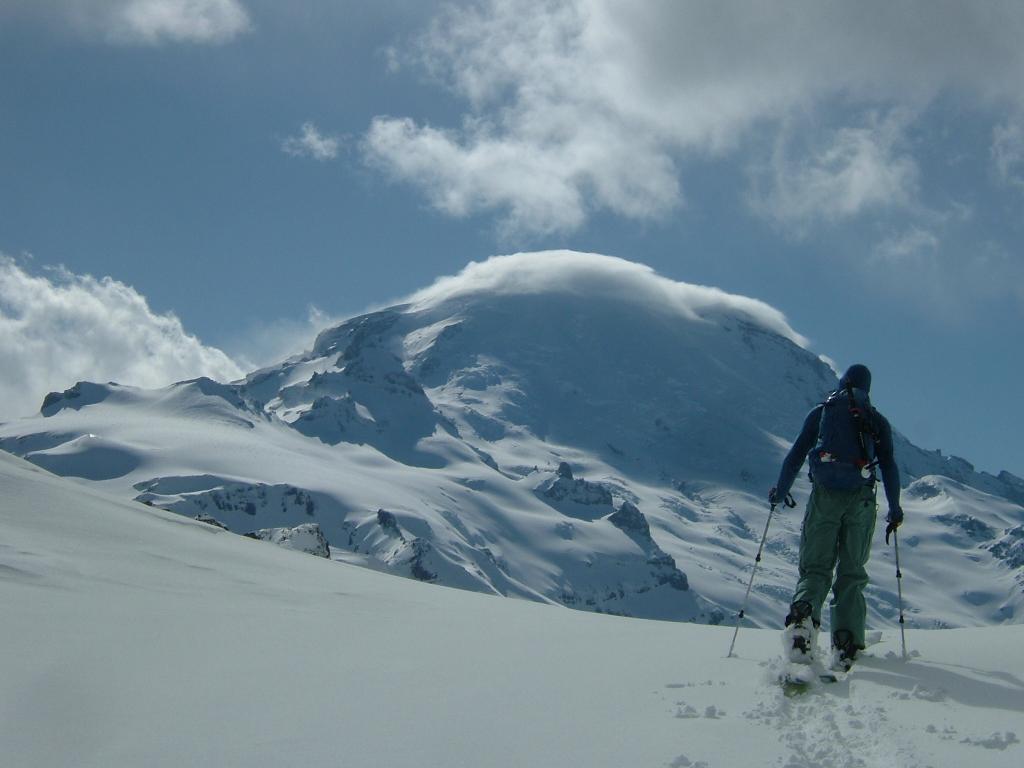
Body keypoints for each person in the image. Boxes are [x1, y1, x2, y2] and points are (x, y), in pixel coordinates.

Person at [769, 363, 903, 671]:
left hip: (825, 496)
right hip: (861, 500)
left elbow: (796, 455)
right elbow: (890, 466)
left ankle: (802, 621)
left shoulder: (823, 412)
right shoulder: (876, 420)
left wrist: (780, 491)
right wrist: (894, 509)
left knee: (815, 569)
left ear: (842, 382)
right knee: (852, 572)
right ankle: (846, 646)